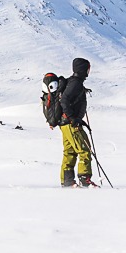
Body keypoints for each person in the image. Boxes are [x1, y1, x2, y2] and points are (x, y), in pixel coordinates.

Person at [56, 56, 97, 186]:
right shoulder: (75, 83)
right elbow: (64, 100)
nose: (89, 71)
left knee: (70, 152)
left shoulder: (72, 82)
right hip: (70, 124)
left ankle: (67, 181)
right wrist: (73, 118)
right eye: (88, 68)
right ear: (83, 69)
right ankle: (85, 180)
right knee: (84, 150)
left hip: (65, 124)